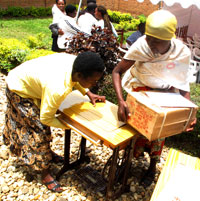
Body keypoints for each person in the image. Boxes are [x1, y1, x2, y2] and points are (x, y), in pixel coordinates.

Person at [112, 10, 196, 187]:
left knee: (158, 134)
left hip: (164, 97)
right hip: (139, 93)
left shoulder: (181, 53)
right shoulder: (141, 45)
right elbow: (117, 71)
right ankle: (124, 165)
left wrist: (190, 115)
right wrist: (121, 101)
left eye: (156, 41)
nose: (149, 44)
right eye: (148, 37)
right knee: (131, 131)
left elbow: (182, 83)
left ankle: (151, 168)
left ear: (169, 39)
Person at [3, 51, 106, 192]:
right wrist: (70, 126)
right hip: (18, 89)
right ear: (80, 75)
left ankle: (47, 155)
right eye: (93, 81)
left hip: (27, 78)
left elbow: (77, 81)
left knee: (44, 127)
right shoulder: (58, 88)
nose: (95, 83)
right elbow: (45, 118)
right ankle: (43, 171)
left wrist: (88, 93)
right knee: (38, 131)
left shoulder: (77, 63)